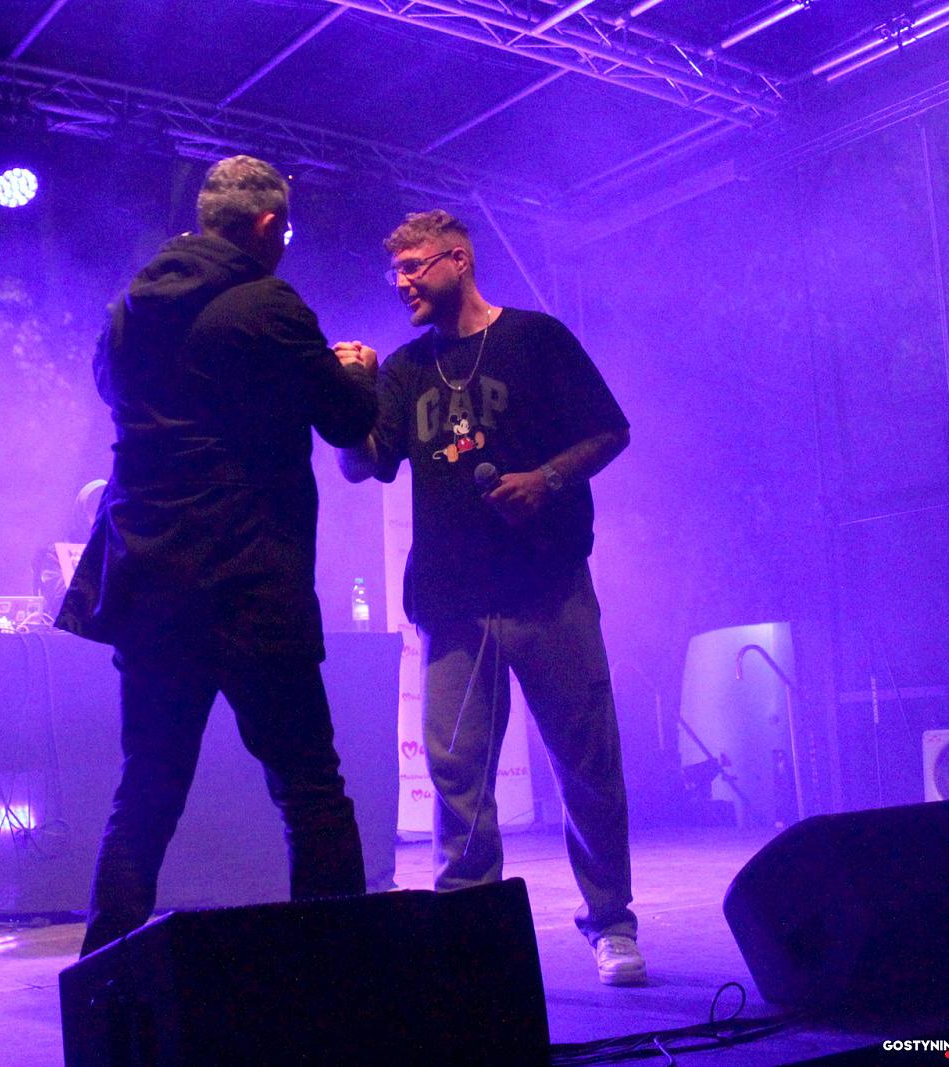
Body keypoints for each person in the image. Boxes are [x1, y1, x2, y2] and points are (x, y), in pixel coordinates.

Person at [57, 155, 378, 956]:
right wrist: (358, 373)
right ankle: (339, 973)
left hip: (151, 587)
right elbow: (345, 421)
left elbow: (116, 395)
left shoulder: (129, 309)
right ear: (266, 226)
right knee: (310, 788)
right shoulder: (268, 304)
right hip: (249, 581)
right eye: (286, 233)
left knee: (147, 790)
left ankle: (103, 979)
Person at [336, 210, 646, 986]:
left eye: (414, 266)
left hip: (550, 589)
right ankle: (472, 940)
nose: (401, 282)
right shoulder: (404, 369)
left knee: (587, 765)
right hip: (453, 600)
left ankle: (611, 922)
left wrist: (547, 478)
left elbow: (610, 430)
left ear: (459, 260)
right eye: (394, 271)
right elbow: (362, 465)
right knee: (457, 780)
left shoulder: (536, 339)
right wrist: (349, 394)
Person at [32, 478, 107, 604]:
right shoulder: (56, 555)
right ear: (83, 515)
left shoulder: (124, 551)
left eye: (108, 507)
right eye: (95, 507)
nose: (102, 513)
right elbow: (59, 600)